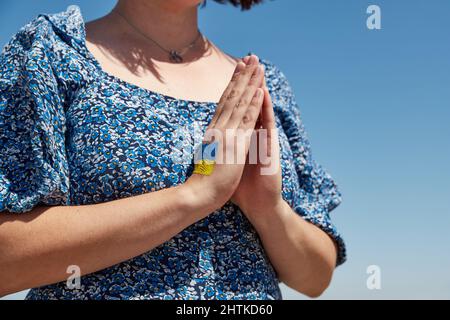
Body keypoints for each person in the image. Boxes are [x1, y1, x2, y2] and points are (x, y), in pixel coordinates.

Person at [0, 0, 346, 300]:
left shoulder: (262, 84)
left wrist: (268, 210)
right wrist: (198, 192)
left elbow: (315, 278)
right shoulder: (52, 51)